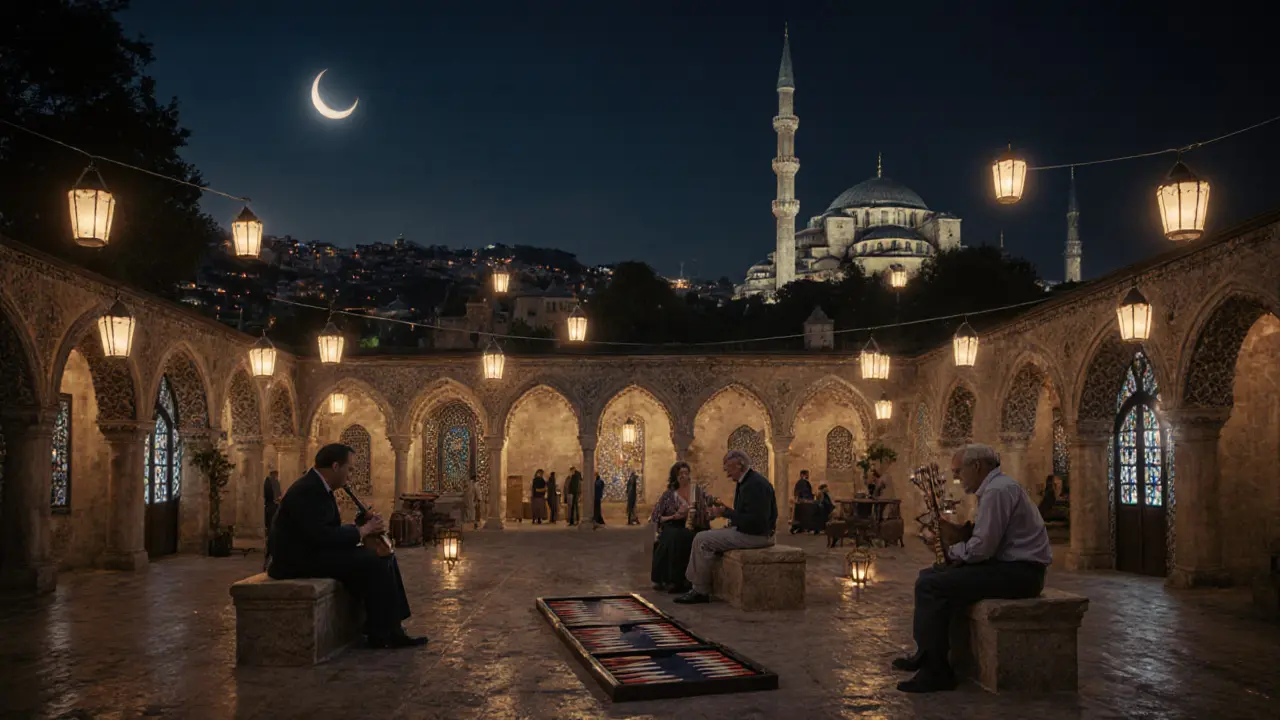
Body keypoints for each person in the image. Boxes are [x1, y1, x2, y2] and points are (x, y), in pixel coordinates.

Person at [892, 443, 1052, 693]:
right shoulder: (996, 488)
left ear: (977, 467)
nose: (956, 477)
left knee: (931, 585)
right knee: (930, 575)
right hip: (1010, 568)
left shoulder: (998, 491)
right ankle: (926, 654)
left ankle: (936, 672)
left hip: (1021, 573)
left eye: (958, 471)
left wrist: (949, 552)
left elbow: (982, 548)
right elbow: (982, 538)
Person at [266, 443, 427, 649]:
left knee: (384, 555)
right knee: (373, 561)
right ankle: (381, 632)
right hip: (296, 561)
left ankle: (392, 626)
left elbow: (324, 529)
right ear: (335, 466)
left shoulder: (318, 487)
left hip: (312, 552)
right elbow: (321, 535)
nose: (349, 476)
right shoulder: (308, 490)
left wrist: (360, 524)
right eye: (349, 469)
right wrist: (362, 530)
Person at [675, 450, 777, 604]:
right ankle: (696, 583)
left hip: (758, 536)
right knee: (708, 535)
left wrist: (726, 513)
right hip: (753, 532)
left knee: (702, 539)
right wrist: (725, 513)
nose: (727, 474)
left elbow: (757, 522)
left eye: (728, 469)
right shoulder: (748, 481)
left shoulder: (754, 485)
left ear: (739, 465)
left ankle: (700, 590)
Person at [650, 462, 699, 592]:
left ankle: (686, 580)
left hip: (690, 525)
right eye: (680, 474)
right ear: (675, 477)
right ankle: (672, 580)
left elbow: (706, 507)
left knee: (689, 536)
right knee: (674, 537)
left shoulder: (696, 492)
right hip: (672, 524)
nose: (684, 476)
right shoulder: (669, 495)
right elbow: (656, 517)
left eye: (686, 473)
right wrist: (674, 516)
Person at [791, 469, 817, 534]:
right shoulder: (802, 482)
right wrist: (808, 500)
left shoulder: (803, 482)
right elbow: (803, 493)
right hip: (803, 501)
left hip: (803, 501)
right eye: (807, 474)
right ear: (802, 475)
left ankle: (801, 527)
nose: (808, 475)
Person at [263, 469, 282, 535]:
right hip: (273, 506)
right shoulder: (274, 481)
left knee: (269, 524)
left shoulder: (267, 481)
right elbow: (278, 495)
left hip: (269, 506)